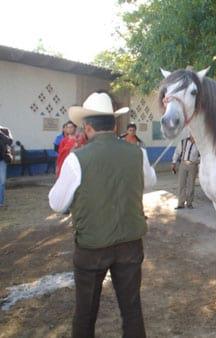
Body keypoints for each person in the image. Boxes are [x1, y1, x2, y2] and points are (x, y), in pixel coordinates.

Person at [48, 92, 156, 338]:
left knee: (85, 312)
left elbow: (56, 203)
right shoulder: (137, 153)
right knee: (131, 309)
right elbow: (149, 182)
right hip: (130, 244)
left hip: (92, 247)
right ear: (115, 124)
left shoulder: (77, 159)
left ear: (87, 128)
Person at [172, 134, 200, 209]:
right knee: (181, 184)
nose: (193, 135)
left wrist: (197, 161)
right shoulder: (183, 142)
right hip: (183, 164)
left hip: (193, 165)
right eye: (191, 133)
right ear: (190, 134)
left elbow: (202, 156)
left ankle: (189, 203)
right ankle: (180, 203)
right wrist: (174, 162)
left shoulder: (199, 144)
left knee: (191, 185)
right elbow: (177, 152)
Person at [0, 125, 13, 207]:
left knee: (1, 182)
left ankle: (0, 202)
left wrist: (1, 133)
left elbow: (10, 142)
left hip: (2, 160)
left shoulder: (5, 130)